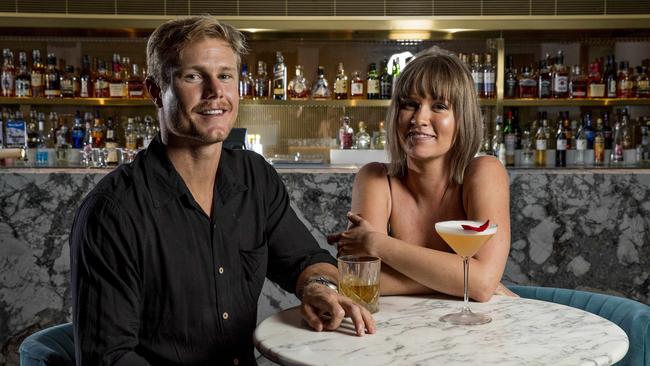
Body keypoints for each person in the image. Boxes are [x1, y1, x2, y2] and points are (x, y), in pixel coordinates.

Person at [69, 16, 374, 366]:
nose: (216, 92)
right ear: (155, 91)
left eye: (226, 75)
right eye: (193, 76)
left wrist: (317, 287)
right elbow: (107, 358)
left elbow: (306, 260)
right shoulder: (114, 212)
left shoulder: (254, 177)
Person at [328, 48, 514, 301]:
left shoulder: (484, 172)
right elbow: (358, 280)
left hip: (479, 329)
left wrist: (376, 243)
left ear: (463, 119)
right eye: (410, 104)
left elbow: (481, 284)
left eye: (439, 106)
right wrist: (461, 280)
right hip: (400, 331)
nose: (419, 118)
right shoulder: (375, 179)